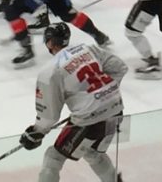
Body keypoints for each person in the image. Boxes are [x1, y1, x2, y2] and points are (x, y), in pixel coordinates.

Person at [18, 22, 127, 182]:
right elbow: (119, 68)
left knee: (53, 158)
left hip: (88, 120)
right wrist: (103, 93)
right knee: (93, 153)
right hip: (116, 110)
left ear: (49, 42)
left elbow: (49, 115)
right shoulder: (88, 49)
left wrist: (37, 132)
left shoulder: (50, 71)